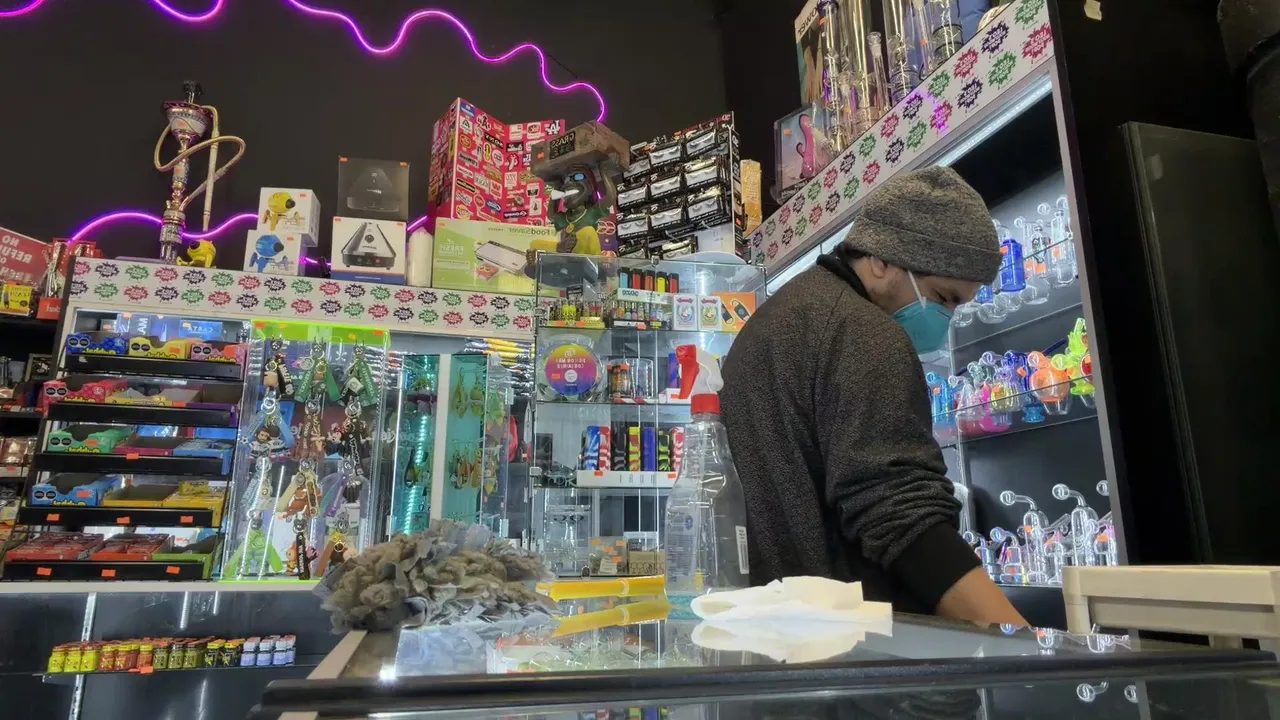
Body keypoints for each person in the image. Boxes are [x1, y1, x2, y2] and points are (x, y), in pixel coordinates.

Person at [720, 166, 1026, 625]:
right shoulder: (865, 332)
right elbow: (900, 513)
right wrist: (1014, 636)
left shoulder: (781, 317)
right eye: (943, 297)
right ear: (881, 260)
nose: (945, 318)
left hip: (776, 626)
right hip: (847, 638)